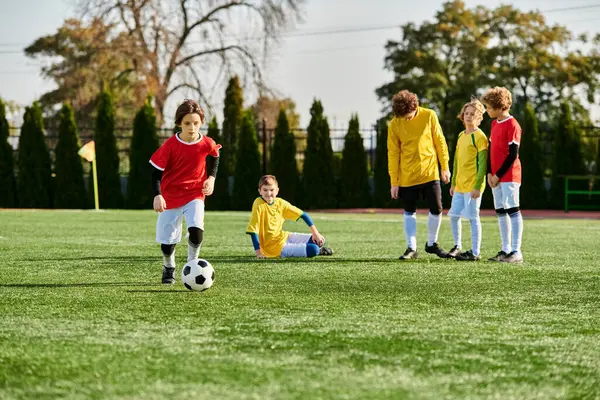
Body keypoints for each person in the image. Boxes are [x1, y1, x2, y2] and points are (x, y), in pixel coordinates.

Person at [149, 99, 222, 284]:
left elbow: (215, 156)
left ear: (201, 123)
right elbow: (155, 173)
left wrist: (211, 178)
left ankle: (192, 263)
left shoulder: (206, 142)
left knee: (197, 230)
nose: (192, 127)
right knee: (167, 243)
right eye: (187, 123)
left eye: (196, 123)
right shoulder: (170, 145)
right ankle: (169, 266)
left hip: (195, 193)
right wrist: (158, 195)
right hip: (170, 196)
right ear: (179, 123)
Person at [387, 90, 451, 260]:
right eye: (402, 117)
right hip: (407, 176)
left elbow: (440, 142)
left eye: (408, 116)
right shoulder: (394, 124)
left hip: (430, 173)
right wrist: (395, 181)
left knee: (437, 208)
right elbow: (393, 154)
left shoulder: (429, 115)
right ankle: (411, 248)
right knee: (409, 210)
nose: (405, 119)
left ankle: (432, 243)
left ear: (415, 106)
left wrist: (445, 167)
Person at [481, 87, 524, 263]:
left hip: (509, 175)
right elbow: (491, 150)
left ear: (500, 106)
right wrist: (490, 173)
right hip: (495, 177)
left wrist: (498, 174)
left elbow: (513, 155)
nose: (487, 110)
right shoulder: (493, 123)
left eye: (489, 107)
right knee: (500, 211)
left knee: (512, 209)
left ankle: (516, 251)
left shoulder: (513, 124)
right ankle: (505, 250)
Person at [246, 175, 333, 258]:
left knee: (321, 240)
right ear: (259, 191)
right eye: (265, 190)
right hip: (273, 248)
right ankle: (318, 250)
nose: (268, 193)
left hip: (284, 237)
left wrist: (315, 233)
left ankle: (315, 247)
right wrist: (258, 253)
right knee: (313, 249)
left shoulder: (280, 203)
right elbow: (253, 230)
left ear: (277, 190)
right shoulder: (258, 203)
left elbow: (303, 215)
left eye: (272, 190)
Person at [447, 99, 489, 261]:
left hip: (473, 186)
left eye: (473, 114)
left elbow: (483, 165)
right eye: (467, 113)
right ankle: (457, 246)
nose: (469, 116)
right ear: (462, 116)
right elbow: (457, 161)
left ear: (479, 117)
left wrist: (478, 186)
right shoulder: (460, 136)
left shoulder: (480, 137)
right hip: (459, 186)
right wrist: (453, 183)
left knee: (472, 218)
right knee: (454, 216)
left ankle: (475, 252)